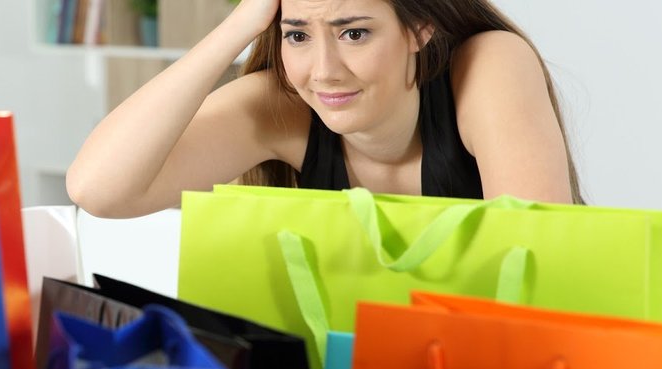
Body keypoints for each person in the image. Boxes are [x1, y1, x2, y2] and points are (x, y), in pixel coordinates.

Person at [67, 0, 582, 218]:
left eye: (353, 33)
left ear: (419, 27)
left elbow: (535, 250)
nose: (324, 71)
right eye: (297, 34)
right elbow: (99, 190)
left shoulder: (488, 64)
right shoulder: (283, 107)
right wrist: (240, 26)